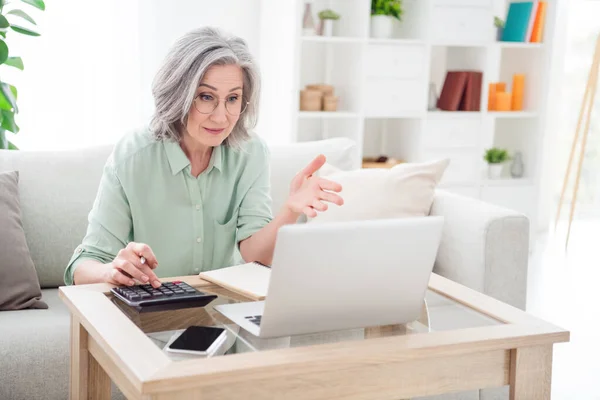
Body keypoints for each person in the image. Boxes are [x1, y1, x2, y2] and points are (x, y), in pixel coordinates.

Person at [64, 27, 343, 288]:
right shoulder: (133, 156)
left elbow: (254, 256)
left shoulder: (250, 153)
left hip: (222, 310)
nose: (221, 117)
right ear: (178, 94)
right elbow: (81, 266)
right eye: (206, 97)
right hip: (150, 314)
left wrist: (290, 209)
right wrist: (112, 270)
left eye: (232, 99)